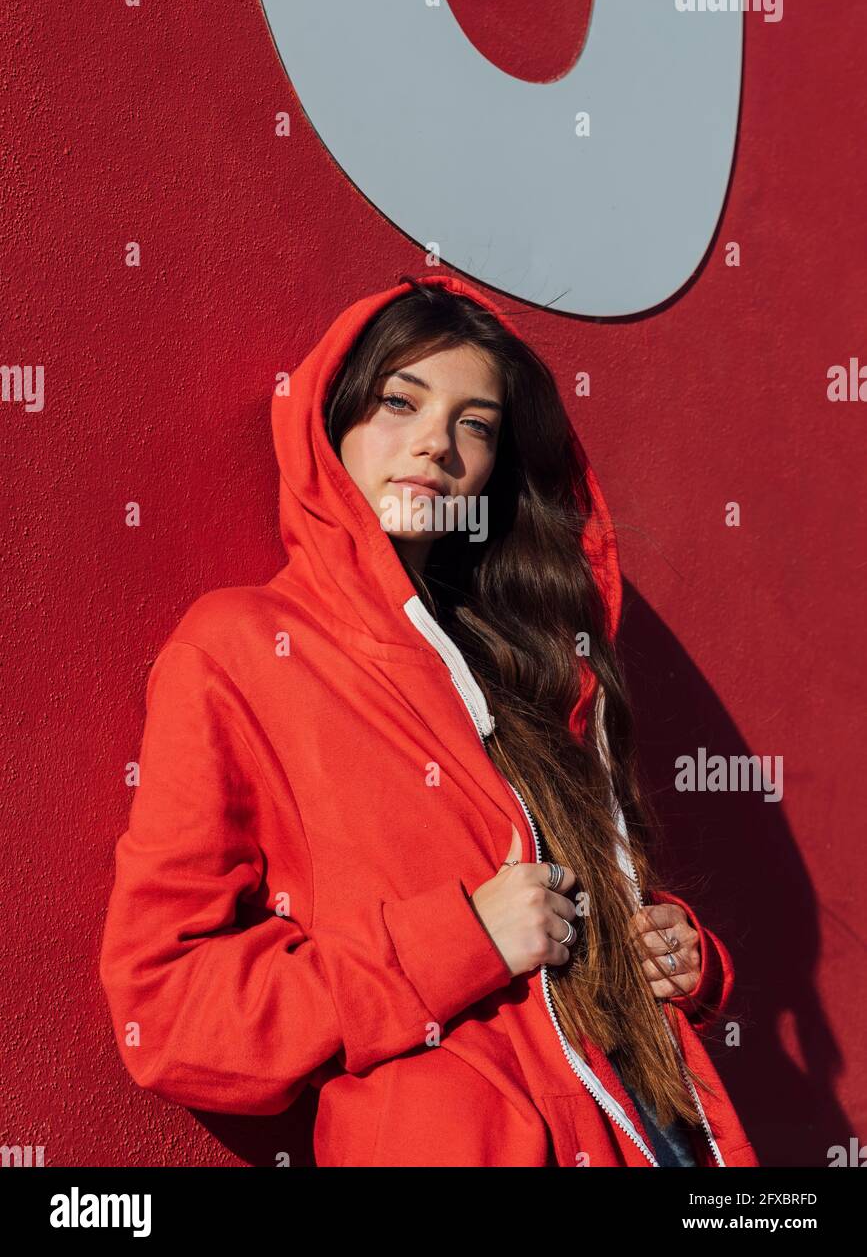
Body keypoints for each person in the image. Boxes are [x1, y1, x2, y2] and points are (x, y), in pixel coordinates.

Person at [99, 273, 759, 1168]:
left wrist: (680, 954)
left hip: (662, 1136)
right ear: (332, 422)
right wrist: (462, 940)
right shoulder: (242, 650)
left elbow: (574, 905)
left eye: (475, 424)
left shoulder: (534, 660)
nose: (436, 446)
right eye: (398, 402)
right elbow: (165, 1011)